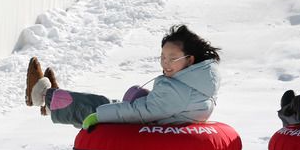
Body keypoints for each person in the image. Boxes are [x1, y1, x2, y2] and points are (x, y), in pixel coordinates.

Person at [24, 25, 221, 130]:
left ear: (190, 59)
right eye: (162, 57)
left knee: (96, 107)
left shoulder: (178, 89)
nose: (165, 63)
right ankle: (54, 100)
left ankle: (42, 95)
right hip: (158, 121)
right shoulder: (199, 84)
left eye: (172, 58)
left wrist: (100, 115)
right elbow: (163, 107)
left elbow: (142, 112)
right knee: (110, 105)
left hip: (146, 127)